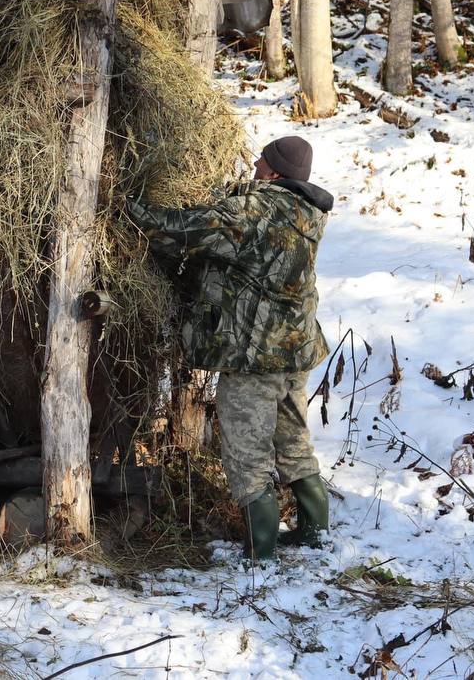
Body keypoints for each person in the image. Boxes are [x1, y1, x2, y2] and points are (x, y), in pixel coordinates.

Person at [126, 135, 333, 559]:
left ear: (273, 172)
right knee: (293, 441)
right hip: (295, 352)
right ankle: (314, 532)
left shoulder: (256, 210)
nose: (254, 165)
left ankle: (261, 550)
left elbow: (184, 230)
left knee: (247, 452)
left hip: (256, 356)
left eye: (262, 161)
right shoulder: (308, 214)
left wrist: (128, 205)